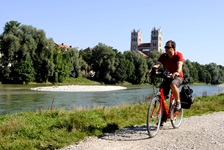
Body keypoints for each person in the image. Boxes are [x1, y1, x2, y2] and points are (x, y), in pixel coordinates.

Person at [147, 40, 184, 124]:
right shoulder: (163, 56)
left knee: (173, 85)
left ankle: (178, 103)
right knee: (162, 95)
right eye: (165, 47)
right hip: (167, 76)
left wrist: (177, 72)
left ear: (173, 48)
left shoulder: (178, 55)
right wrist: (151, 70)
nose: (166, 49)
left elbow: (179, 65)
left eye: (168, 47)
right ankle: (163, 117)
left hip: (178, 77)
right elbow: (157, 64)